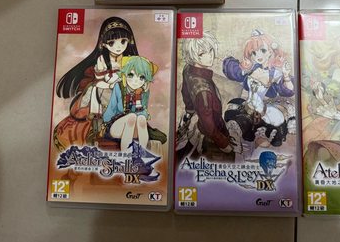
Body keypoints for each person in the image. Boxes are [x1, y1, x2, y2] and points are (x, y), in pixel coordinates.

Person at [53, 17, 139, 150]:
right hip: (105, 85)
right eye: (112, 43)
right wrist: (109, 81)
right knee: (96, 89)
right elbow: (100, 76)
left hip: (123, 88)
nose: (118, 47)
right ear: (103, 44)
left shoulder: (129, 60)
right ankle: (97, 122)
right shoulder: (102, 60)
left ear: (129, 41)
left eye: (123, 41)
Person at [176, 32, 240, 162]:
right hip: (212, 134)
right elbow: (209, 125)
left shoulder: (188, 69)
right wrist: (224, 144)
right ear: (192, 55)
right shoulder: (203, 91)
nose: (209, 56)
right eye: (201, 54)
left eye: (210, 50)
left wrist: (189, 111)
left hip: (204, 127)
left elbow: (186, 93)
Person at [102, 56, 166, 150]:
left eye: (141, 77)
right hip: (117, 126)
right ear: (125, 74)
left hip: (135, 127)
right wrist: (104, 124)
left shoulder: (143, 91)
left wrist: (139, 99)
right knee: (131, 117)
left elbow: (143, 112)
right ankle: (126, 153)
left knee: (141, 119)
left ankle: (142, 152)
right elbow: (111, 109)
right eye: (131, 75)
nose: (136, 81)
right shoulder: (119, 87)